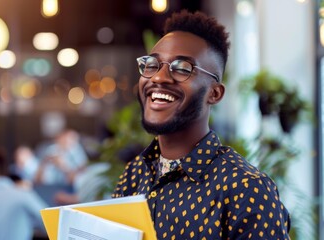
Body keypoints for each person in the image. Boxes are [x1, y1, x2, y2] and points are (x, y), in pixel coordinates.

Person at [112, 10, 291, 239]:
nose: (158, 77)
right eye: (152, 65)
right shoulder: (135, 173)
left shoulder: (246, 189)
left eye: (182, 68)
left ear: (214, 93)